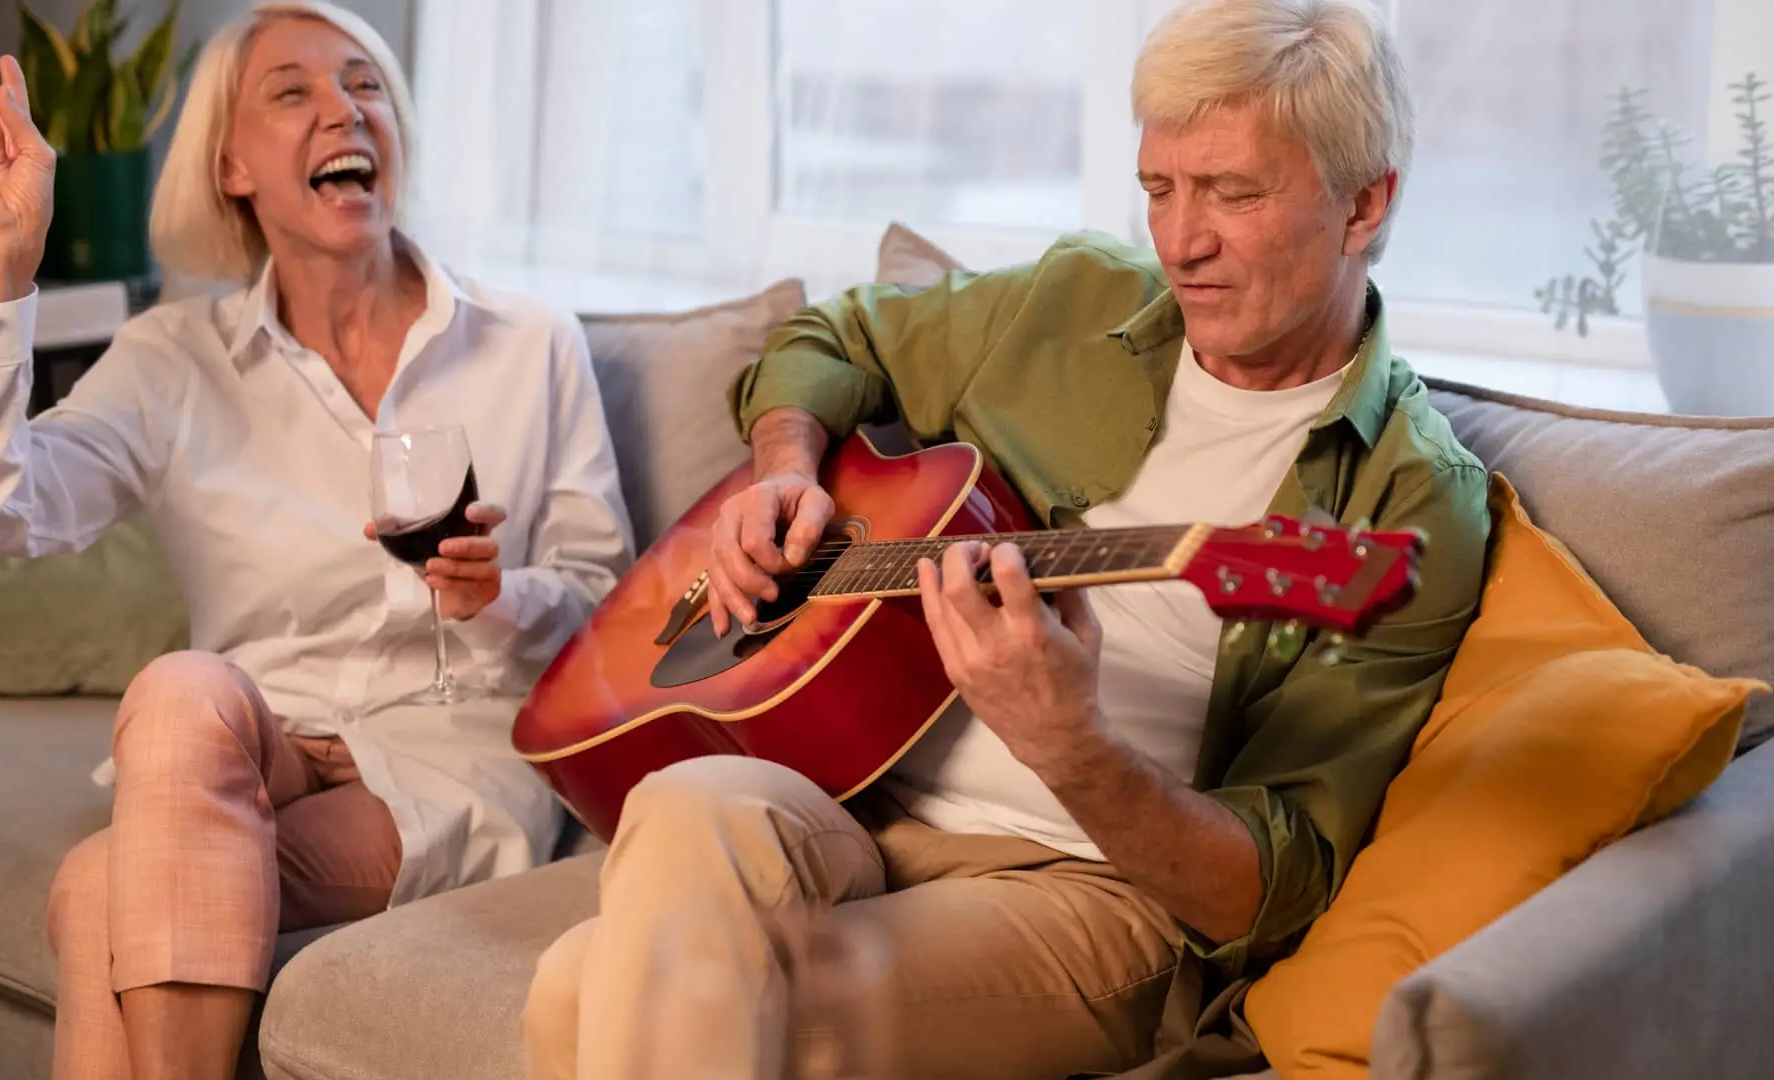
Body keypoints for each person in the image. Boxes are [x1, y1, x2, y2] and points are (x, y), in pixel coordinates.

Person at [520, 0, 1490, 1077]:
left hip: (1086, 885)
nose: (1182, 241)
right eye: (1160, 190)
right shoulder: (1072, 303)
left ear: (1365, 203)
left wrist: (1069, 742)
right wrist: (784, 471)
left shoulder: (1411, 501)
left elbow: (1270, 891)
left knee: (578, 991)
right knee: (681, 799)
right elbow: (830, 339)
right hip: (857, 790)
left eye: (1234, 193)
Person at [0, 2, 632, 1077]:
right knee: (181, 690)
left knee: (99, 887)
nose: (342, 107)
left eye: (366, 84)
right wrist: (3, 266)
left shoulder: (531, 344)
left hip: (447, 759)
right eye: (292, 92)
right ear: (231, 165)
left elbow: (606, 605)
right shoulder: (171, 361)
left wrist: (498, 598)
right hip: (249, 751)